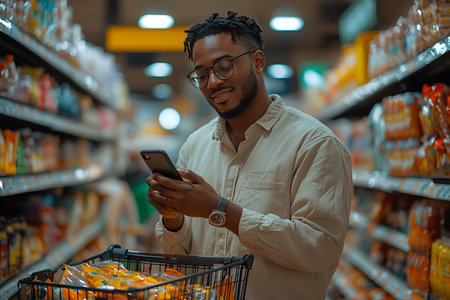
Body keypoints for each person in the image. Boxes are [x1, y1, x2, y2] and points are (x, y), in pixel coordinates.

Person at [146, 11, 353, 300]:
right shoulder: (195, 146)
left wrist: (219, 210)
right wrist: (173, 218)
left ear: (257, 62)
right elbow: (180, 257)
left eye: (224, 66)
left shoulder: (314, 143)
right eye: (201, 74)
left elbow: (319, 248)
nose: (213, 82)